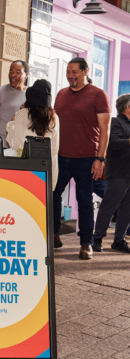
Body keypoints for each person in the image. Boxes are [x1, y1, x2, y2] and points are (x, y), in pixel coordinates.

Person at [53, 57, 111, 260]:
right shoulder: (60, 95)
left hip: (87, 158)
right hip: (60, 157)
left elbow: (105, 129)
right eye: (68, 72)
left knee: (84, 201)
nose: (70, 75)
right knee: (52, 194)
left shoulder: (98, 95)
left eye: (74, 72)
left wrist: (100, 159)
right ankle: (54, 233)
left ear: (85, 72)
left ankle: (86, 243)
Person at [6, 79, 59, 190]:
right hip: (45, 172)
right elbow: (54, 151)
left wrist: (11, 124)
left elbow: (15, 145)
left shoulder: (21, 115)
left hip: (24, 170)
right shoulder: (54, 118)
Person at [93, 94, 130, 253]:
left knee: (127, 209)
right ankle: (97, 239)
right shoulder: (116, 122)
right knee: (109, 207)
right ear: (127, 107)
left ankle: (119, 240)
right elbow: (113, 143)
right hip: (118, 172)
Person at [0, 60, 29, 153]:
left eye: (17, 72)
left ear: (26, 75)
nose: (13, 75)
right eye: (11, 72)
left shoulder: (31, 95)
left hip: (23, 149)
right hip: (2, 148)